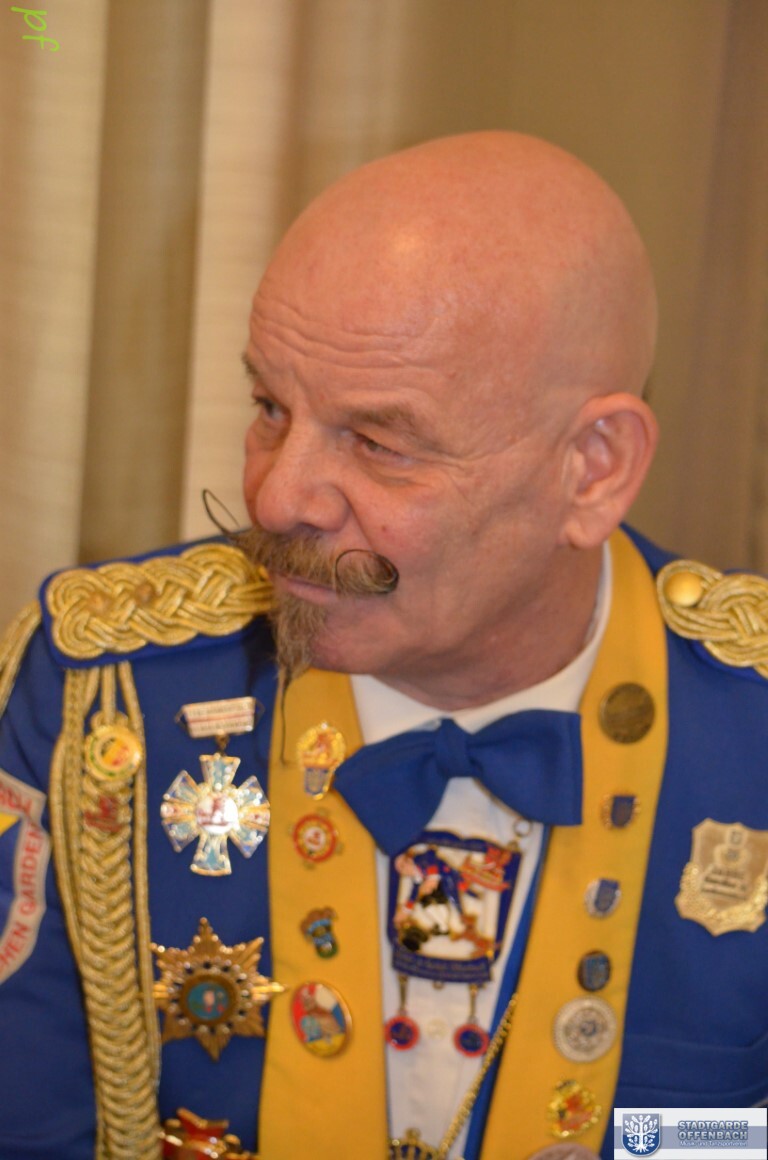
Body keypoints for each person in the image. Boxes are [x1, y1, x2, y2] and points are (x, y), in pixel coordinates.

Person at [1, 131, 767, 1160]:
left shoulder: (749, 726)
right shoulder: (107, 694)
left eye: (377, 441)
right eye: (270, 407)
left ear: (593, 468)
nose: (277, 497)